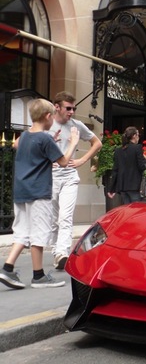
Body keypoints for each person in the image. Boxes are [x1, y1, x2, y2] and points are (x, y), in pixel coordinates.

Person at [0, 99, 79, 290]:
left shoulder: (25, 136)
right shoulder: (44, 139)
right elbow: (63, 161)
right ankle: (38, 276)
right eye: (52, 115)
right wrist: (72, 143)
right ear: (48, 116)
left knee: (23, 231)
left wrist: (50, 141)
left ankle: (7, 268)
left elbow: (18, 146)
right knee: (39, 233)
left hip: (22, 191)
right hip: (39, 191)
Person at [48, 91, 102, 270]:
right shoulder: (48, 124)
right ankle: (57, 252)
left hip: (70, 177)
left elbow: (97, 143)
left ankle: (62, 253)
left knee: (65, 216)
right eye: (68, 108)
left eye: (74, 108)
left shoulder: (77, 125)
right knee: (54, 218)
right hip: (51, 178)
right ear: (57, 107)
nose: (71, 111)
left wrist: (82, 160)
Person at [107, 127, 146, 204]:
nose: (139, 137)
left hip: (122, 187)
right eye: (138, 134)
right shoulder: (137, 148)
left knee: (128, 211)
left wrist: (111, 189)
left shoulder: (118, 151)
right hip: (134, 186)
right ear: (134, 136)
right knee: (135, 211)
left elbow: (115, 170)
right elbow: (142, 166)